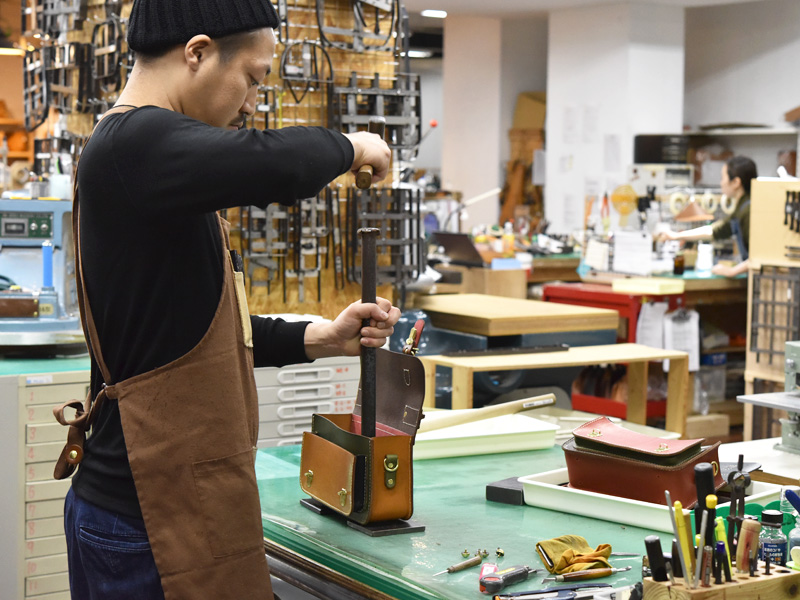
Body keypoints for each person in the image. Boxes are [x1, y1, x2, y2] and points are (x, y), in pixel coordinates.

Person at [55, 1, 398, 598]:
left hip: (165, 504)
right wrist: (354, 144)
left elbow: (196, 332)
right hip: (149, 519)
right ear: (197, 52)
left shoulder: (157, 168)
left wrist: (319, 337)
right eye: (253, 79)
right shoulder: (133, 144)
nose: (251, 104)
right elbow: (277, 166)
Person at [658, 155, 757, 277]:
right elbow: (715, 231)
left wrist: (733, 271)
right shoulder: (742, 208)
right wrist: (676, 235)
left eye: (723, 178)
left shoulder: (749, 210)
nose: (721, 183)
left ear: (736, 182)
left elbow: (760, 255)